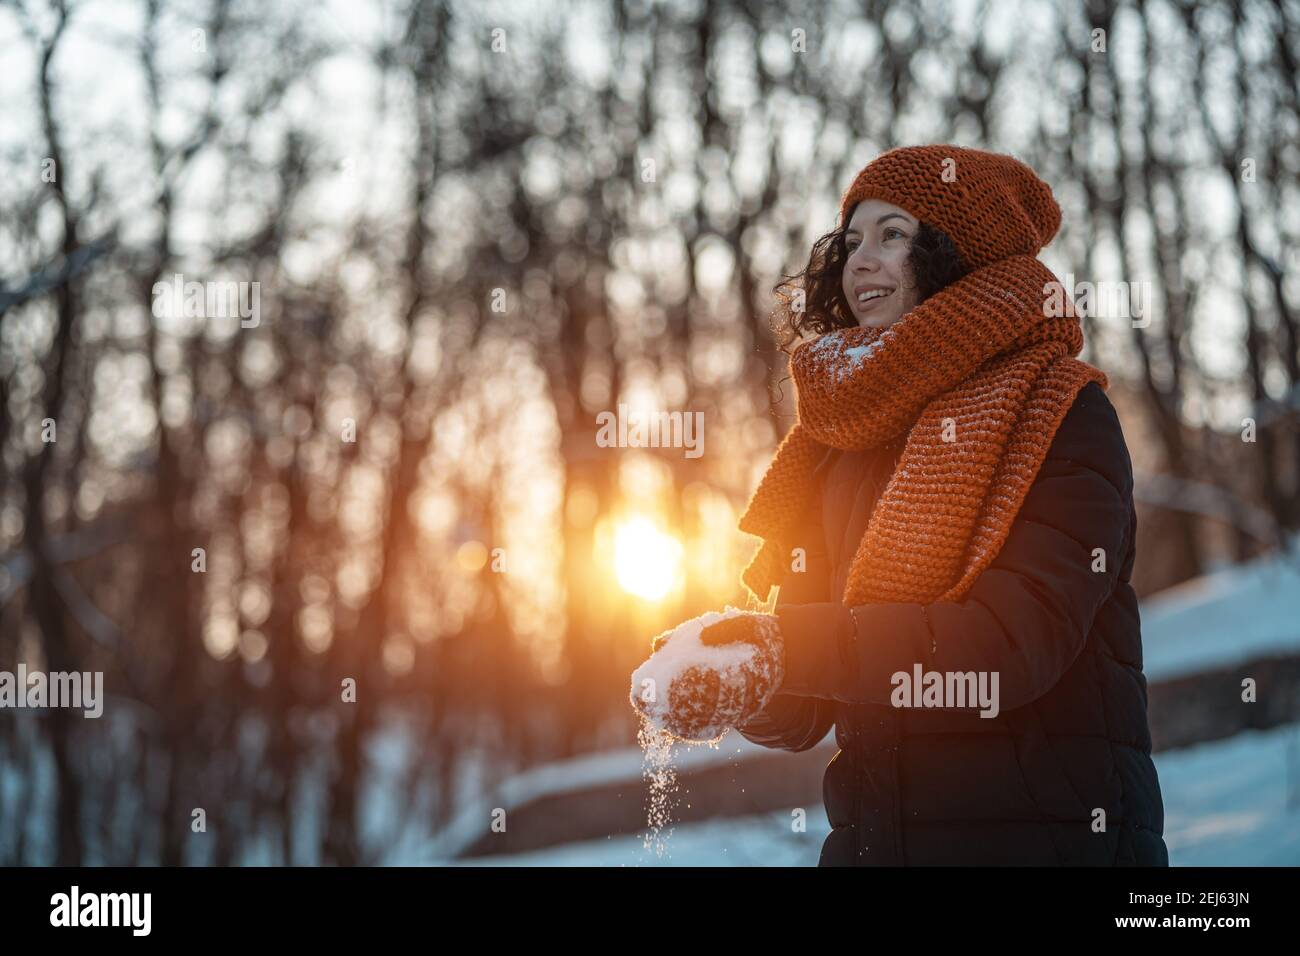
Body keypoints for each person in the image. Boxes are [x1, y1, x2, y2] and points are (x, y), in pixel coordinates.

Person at [646, 145, 1168, 866]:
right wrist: (744, 673)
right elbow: (811, 702)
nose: (862, 261)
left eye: (894, 235)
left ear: (961, 255)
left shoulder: (1060, 411)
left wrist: (788, 647)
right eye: (852, 241)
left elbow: (1009, 645)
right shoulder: (837, 441)